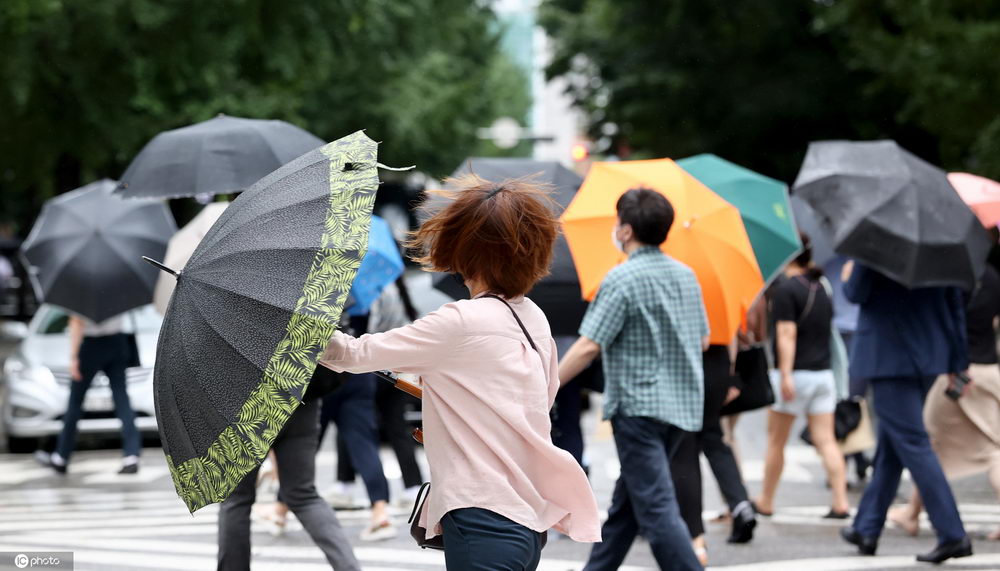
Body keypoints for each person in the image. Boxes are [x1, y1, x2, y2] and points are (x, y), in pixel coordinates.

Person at [320, 177, 601, 571]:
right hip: (526, 517)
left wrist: (292, 323)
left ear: (466, 251)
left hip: (481, 517)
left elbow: (353, 352)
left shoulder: (460, 321)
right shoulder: (532, 317)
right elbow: (537, 398)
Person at [559, 187, 708, 571]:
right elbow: (704, 337)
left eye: (617, 222)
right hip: (681, 406)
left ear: (625, 230)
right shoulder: (687, 276)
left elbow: (589, 346)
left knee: (657, 511)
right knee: (627, 508)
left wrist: (545, 385)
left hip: (638, 408)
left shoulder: (621, 279)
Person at [839, 262, 973, 564]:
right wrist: (958, 361)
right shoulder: (941, 245)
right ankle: (867, 527)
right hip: (928, 356)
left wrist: (849, 275)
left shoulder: (877, 244)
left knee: (912, 443)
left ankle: (952, 533)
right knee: (892, 444)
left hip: (888, 356)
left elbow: (855, 292)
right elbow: (955, 305)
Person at [888, 262, 1000, 541]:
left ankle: (912, 513)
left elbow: (942, 321)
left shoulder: (952, 276)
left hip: (959, 373)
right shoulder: (992, 276)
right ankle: (912, 512)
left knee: (984, 449)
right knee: (934, 445)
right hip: (988, 369)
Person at [217, 374, 360, 571]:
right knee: (304, 495)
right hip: (301, 397)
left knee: (236, 498)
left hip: (249, 402)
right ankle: (348, 567)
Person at [753, 240, 850, 519]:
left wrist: (784, 374)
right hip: (823, 375)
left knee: (776, 441)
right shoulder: (823, 287)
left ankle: (767, 499)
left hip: (795, 375)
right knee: (827, 440)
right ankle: (840, 500)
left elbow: (786, 335)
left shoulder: (786, 290)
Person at [47, 312, 140, 474]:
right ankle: (131, 455)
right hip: (117, 342)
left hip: (91, 346)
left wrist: (74, 357)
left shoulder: (81, 289)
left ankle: (61, 456)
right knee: (122, 399)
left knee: (75, 402)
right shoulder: (118, 287)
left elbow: (77, 322)